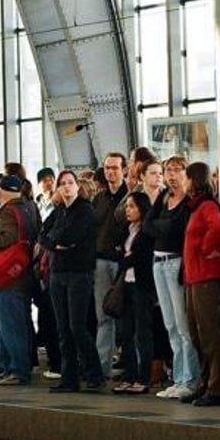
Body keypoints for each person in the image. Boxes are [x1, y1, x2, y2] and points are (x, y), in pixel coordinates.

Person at [39, 170, 102, 393]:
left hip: (79, 273)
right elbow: (43, 235)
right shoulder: (58, 212)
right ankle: (69, 377)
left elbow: (71, 236)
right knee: (62, 327)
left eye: (70, 183)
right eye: (62, 184)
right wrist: (56, 243)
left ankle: (93, 374)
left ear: (77, 186)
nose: (66, 187)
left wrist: (56, 240)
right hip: (58, 273)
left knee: (77, 326)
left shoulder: (85, 210)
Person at [144, 156, 196, 400]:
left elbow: (177, 229)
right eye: (169, 170)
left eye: (178, 170)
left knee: (183, 324)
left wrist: (161, 225)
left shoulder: (188, 202)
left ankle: (190, 378)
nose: (172, 175)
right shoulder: (164, 197)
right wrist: (162, 225)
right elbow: (148, 225)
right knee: (170, 324)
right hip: (158, 262)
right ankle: (178, 377)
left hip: (175, 262)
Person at [180, 162, 220, 406]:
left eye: (186, 177)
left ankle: (218, 386)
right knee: (196, 331)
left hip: (207, 275)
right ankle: (205, 382)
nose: (183, 181)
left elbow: (217, 229)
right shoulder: (195, 207)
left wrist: (205, 250)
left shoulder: (207, 205)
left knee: (209, 331)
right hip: (194, 276)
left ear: (194, 179)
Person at [0, 175, 38, 386]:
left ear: (1, 191)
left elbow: (7, 238)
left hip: (7, 277)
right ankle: (10, 369)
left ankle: (16, 370)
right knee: (18, 323)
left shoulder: (7, 210)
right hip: (22, 273)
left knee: (9, 326)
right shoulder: (29, 207)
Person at [111, 192, 155, 394]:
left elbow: (142, 258)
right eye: (127, 206)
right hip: (125, 284)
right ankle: (129, 374)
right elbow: (120, 255)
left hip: (141, 285)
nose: (127, 210)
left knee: (142, 332)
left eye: (132, 206)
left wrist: (129, 257)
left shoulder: (147, 232)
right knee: (125, 332)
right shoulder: (124, 230)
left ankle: (144, 377)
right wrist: (127, 257)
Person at [93, 152, 129, 378]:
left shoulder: (131, 197)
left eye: (115, 168)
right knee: (103, 315)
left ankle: (128, 364)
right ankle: (102, 366)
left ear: (124, 170)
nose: (110, 172)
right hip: (100, 261)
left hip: (123, 262)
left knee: (126, 315)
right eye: (107, 168)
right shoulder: (99, 198)